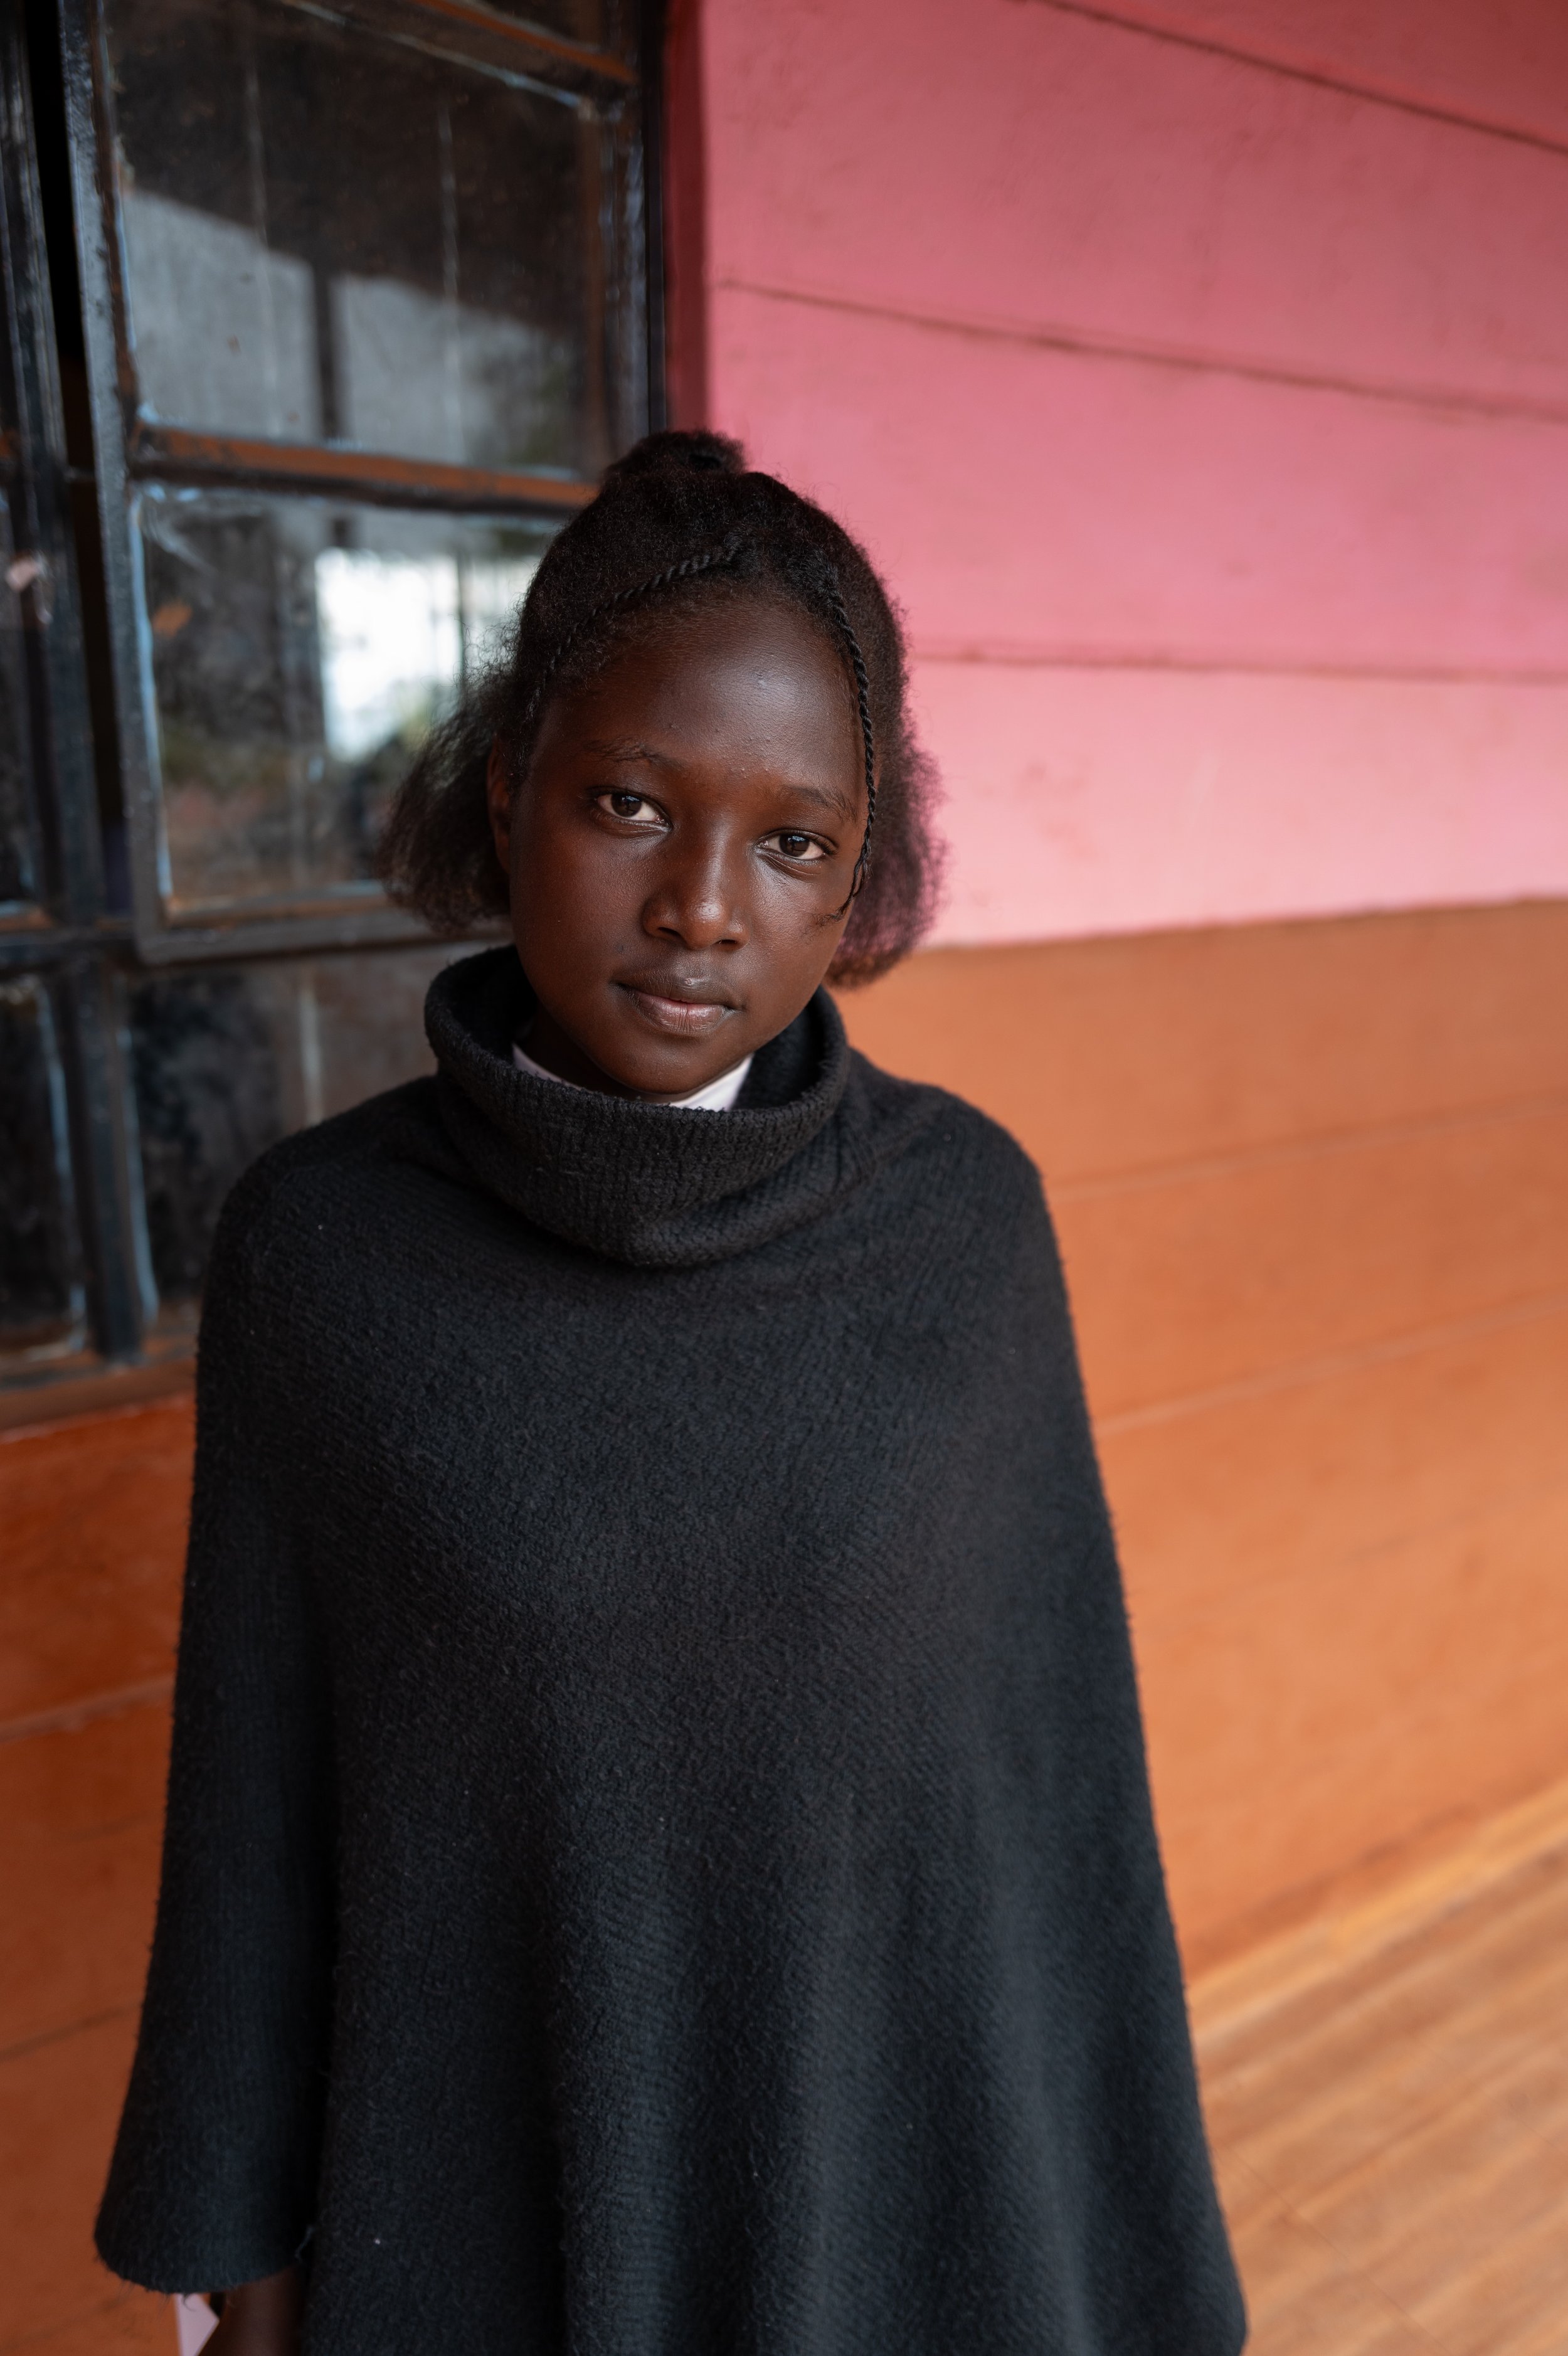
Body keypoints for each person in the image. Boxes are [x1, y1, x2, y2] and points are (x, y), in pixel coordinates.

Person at [96, 432, 1246, 2355]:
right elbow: (258, 1797)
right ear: (508, 789)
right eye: (630, 802)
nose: (704, 906)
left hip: (900, 2191)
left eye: (792, 841)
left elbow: (1052, 1823)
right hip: (485, 2201)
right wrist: (241, 2253)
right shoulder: (325, 1256)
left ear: (858, 877)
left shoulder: (962, 1229)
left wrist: (1115, 2249)